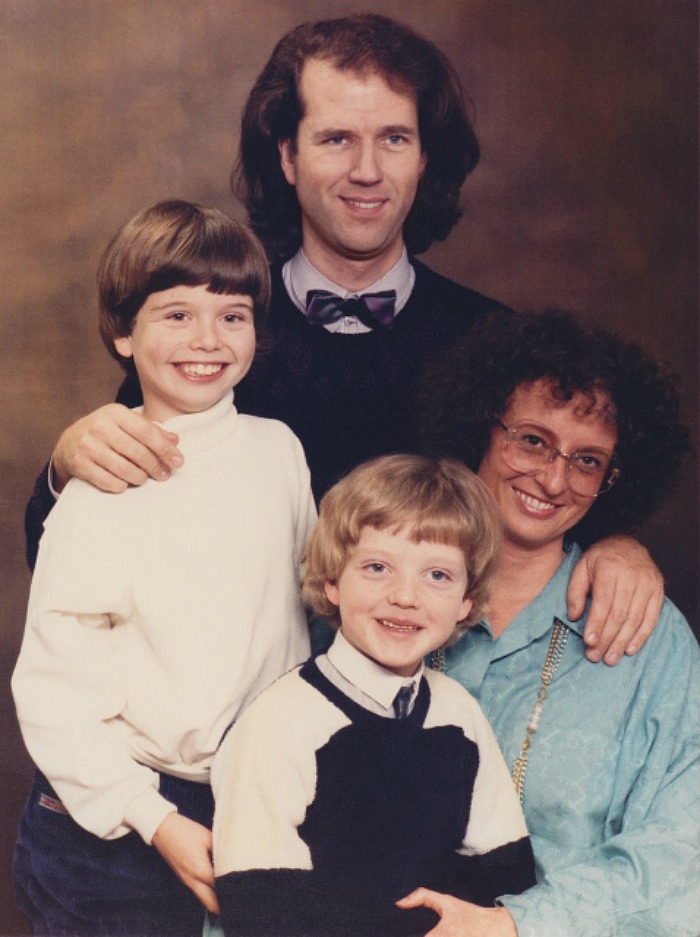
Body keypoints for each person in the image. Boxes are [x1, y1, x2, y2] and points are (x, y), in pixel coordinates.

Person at [24, 13, 663, 667]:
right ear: (287, 155)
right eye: (335, 139)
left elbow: (548, 504)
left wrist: (617, 545)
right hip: (227, 712)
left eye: (393, 138)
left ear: (423, 158)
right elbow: (69, 559)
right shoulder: (208, 340)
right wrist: (66, 465)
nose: (367, 170)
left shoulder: (497, 343)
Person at [11, 200, 316, 937]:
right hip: (112, 827)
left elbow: (308, 611)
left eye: (233, 315)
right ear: (123, 332)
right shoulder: (102, 486)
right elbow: (53, 695)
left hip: (249, 802)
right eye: (176, 315)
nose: (207, 339)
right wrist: (154, 817)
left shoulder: (279, 449)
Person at [395, 310, 699, 937]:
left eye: (587, 461)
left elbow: (680, 850)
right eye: (532, 440)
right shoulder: (379, 595)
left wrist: (514, 926)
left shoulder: (652, 639)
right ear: (481, 426)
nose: (554, 479)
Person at [211, 455, 536, 937]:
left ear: (467, 601)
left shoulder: (458, 713)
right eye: (378, 567)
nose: (406, 596)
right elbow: (263, 910)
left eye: (438, 576)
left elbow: (507, 873)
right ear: (332, 581)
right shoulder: (279, 724)